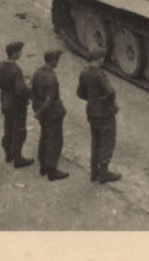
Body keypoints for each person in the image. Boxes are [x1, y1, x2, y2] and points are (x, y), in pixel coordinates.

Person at [77, 48, 122, 184]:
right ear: (100, 59)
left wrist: (93, 100)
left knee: (95, 141)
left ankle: (94, 173)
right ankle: (104, 173)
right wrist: (108, 103)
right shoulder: (99, 74)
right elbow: (110, 92)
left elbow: (80, 93)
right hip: (104, 114)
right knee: (107, 141)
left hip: (91, 112)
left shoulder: (84, 72)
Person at [0, 41, 34, 168]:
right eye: (20, 52)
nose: (21, 54)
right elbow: (21, 91)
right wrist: (30, 89)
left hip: (5, 103)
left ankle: (8, 155)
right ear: (15, 54)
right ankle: (18, 159)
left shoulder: (0, 66)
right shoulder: (16, 70)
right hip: (17, 106)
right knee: (19, 131)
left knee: (8, 130)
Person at [31, 49, 69, 181]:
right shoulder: (51, 78)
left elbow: (33, 92)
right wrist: (40, 111)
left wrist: (36, 109)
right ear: (52, 61)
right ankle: (52, 171)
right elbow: (50, 99)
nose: (58, 62)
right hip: (52, 114)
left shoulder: (37, 72)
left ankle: (43, 165)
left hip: (42, 113)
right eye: (57, 60)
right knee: (55, 141)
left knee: (44, 137)